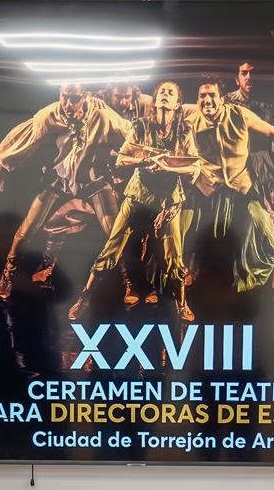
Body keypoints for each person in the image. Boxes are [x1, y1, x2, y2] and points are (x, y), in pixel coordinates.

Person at [69, 80, 200, 321]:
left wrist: (168, 168)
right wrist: (145, 161)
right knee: (112, 246)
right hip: (138, 192)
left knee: (174, 254)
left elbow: (194, 167)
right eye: (161, 92)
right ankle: (84, 297)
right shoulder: (141, 126)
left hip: (169, 198)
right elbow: (121, 160)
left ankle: (182, 303)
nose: (165, 95)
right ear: (155, 99)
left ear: (177, 103)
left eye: (171, 93)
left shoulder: (183, 130)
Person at [0, 83, 131, 298]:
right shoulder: (50, 115)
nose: (68, 103)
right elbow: (23, 138)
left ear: (85, 96)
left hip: (95, 181)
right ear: (60, 94)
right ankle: (7, 275)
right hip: (60, 180)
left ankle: (130, 281)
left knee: (115, 231)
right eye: (65, 97)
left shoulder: (103, 116)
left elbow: (131, 136)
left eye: (74, 98)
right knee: (27, 228)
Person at [183, 75, 274, 294]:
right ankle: (191, 271)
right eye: (203, 96)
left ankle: (253, 282)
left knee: (263, 229)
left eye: (212, 95)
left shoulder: (239, 114)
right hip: (208, 187)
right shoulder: (191, 122)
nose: (207, 100)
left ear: (222, 98)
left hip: (242, 187)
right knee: (196, 230)